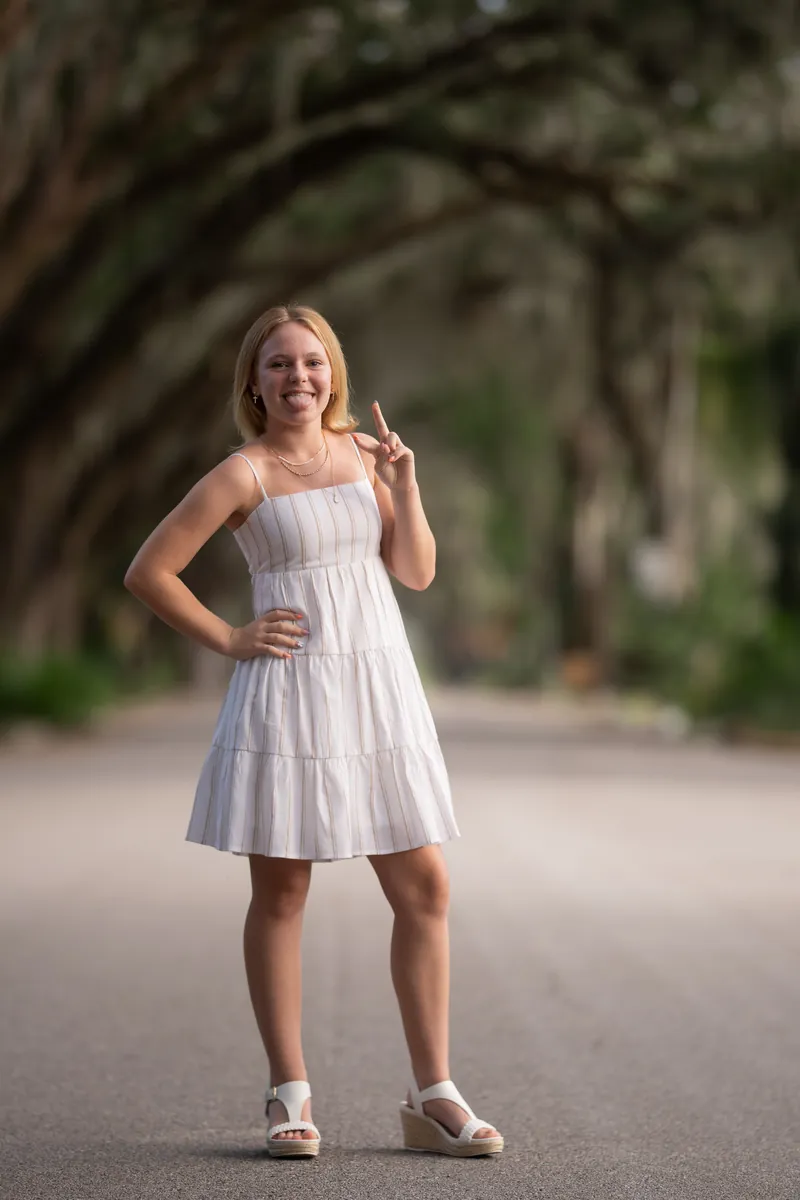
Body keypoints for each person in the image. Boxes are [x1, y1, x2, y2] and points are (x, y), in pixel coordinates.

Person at [124, 304, 503, 1159]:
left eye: (312, 363)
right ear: (253, 385)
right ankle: (289, 1095)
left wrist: (404, 485)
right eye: (278, 366)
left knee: (426, 890)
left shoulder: (366, 454)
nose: (299, 378)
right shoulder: (242, 474)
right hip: (290, 694)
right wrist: (229, 637)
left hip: (377, 689)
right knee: (284, 894)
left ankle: (433, 1094)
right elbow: (149, 571)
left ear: (333, 374)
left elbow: (414, 571)